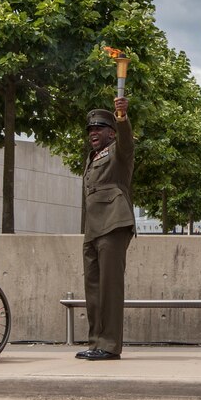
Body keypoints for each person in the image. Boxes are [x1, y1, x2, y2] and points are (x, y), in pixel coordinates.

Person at [76, 97, 135, 361]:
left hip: (113, 223)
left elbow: (127, 142)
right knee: (94, 288)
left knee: (110, 288)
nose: (93, 133)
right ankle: (96, 341)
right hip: (93, 229)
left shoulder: (118, 152)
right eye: (91, 130)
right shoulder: (92, 158)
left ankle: (110, 345)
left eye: (99, 129)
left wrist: (122, 117)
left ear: (111, 132)